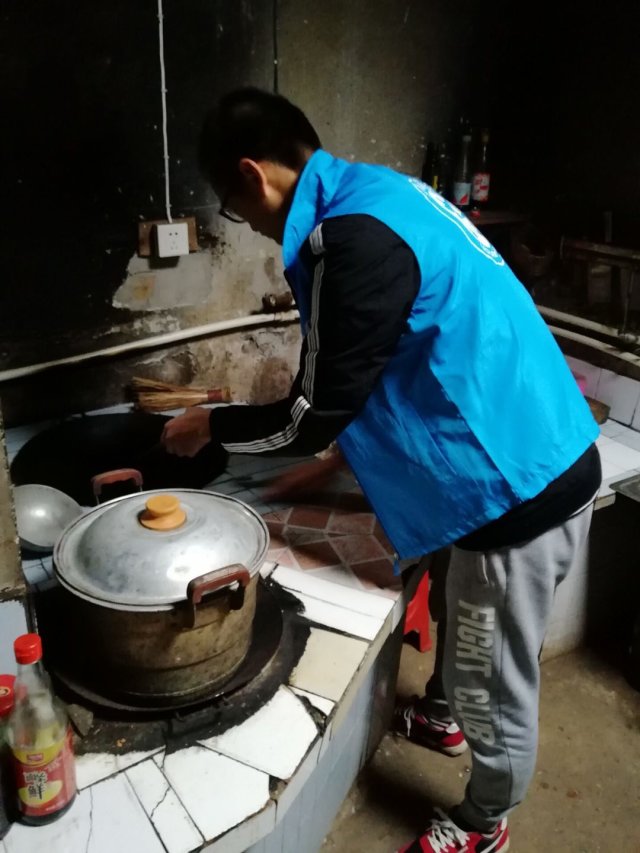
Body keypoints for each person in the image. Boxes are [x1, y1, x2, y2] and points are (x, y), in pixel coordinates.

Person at [162, 87, 601, 853]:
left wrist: (212, 426)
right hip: (525, 444)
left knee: (494, 675)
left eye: (235, 209)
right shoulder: (380, 193)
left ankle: (484, 822)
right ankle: (444, 713)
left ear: (252, 175)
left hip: (515, 489)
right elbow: (385, 359)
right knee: (472, 629)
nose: (250, 225)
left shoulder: (351, 238)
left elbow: (311, 415)